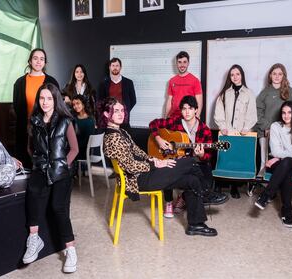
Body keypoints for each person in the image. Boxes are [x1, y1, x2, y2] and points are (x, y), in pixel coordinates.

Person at [101, 97, 218, 237]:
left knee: (191, 180)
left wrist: (156, 160)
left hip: (143, 174)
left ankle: (195, 224)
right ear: (107, 114)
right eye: (116, 111)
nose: (121, 114)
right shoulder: (113, 138)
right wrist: (155, 164)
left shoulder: (121, 132)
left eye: (121, 110)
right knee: (190, 162)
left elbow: (139, 152)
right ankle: (206, 193)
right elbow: (130, 166)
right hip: (138, 180)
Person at [22, 83, 79, 273]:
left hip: (61, 171)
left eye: (49, 98)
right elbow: (30, 147)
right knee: (32, 194)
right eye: (41, 98)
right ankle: (34, 239)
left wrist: (63, 165)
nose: (45, 102)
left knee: (58, 207)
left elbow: (74, 149)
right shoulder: (34, 121)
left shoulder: (65, 121)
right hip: (40, 169)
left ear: (55, 100)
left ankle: (70, 250)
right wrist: (38, 162)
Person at [149, 96, 228, 218]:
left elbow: (207, 156)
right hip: (175, 159)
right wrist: (158, 139)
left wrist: (201, 155)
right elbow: (153, 123)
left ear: (196, 110)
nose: (187, 112)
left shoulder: (204, 130)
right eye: (184, 109)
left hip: (194, 162)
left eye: (190, 108)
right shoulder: (175, 122)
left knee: (206, 178)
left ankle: (185, 197)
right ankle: (169, 202)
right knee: (167, 166)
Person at [255, 101, 292, 228]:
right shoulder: (275, 126)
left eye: (290, 113)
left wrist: (278, 158)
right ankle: (287, 211)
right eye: (284, 113)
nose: (286, 116)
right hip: (284, 164)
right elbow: (275, 151)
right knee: (287, 170)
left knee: (287, 163)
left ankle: (266, 196)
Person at [213, 64, 257, 198]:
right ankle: (219, 185)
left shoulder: (249, 93)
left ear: (242, 75)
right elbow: (219, 112)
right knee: (224, 158)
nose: (235, 77)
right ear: (229, 77)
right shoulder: (224, 94)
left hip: (241, 133)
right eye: (232, 75)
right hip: (227, 132)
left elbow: (252, 113)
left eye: (237, 74)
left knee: (237, 160)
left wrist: (246, 127)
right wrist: (222, 127)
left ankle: (234, 187)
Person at [13, 48, 60, 169]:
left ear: (45, 62)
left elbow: (57, 105)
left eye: (42, 59)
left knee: (43, 162)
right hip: (24, 127)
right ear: (30, 61)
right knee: (25, 161)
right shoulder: (19, 82)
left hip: (45, 127)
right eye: (35, 58)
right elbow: (17, 106)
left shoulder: (51, 81)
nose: (38, 61)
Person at [255, 63, 292, 177]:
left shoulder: (290, 91)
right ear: (270, 75)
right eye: (274, 73)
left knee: (283, 160)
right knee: (264, 163)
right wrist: (266, 127)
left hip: (286, 133)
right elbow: (257, 112)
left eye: (280, 74)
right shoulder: (265, 92)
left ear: (283, 76)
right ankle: (263, 185)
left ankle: (279, 184)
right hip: (266, 132)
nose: (277, 76)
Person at [97, 57, 136, 127]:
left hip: (124, 119)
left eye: (117, 65)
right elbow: (100, 101)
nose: (115, 68)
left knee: (124, 136)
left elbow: (133, 100)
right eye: (113, 65)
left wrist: (124, 111)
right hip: (109, 120)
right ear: (110, 67)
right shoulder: (104, 84)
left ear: (120, 67)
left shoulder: (128, 82)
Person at [165, 51, 203, 119]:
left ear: (188, 63)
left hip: (188, 118)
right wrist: (165, 117)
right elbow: (169, 101)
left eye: (184, 62)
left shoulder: (195, 80)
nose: (182, 65)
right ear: (176, 63)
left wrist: (196, 119)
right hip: (174, 118)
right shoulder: (172, 81)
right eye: (179, 62)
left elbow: (199, 103)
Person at [71, 95, 95, 162]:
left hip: (83, 150)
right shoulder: (74, 118)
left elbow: (87, 140)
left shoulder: (89, 120)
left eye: (78, 103)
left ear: (83, 104)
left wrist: (72, 146)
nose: (75, 106)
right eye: (74, 104)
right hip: (76, 148)